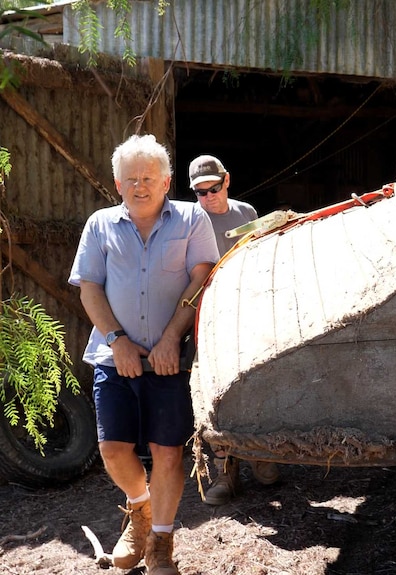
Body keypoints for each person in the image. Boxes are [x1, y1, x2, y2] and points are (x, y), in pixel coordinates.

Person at [69, 134, 219, 575]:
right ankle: (141, 512)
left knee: (168, 452)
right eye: (131, 178)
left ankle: (161, 546)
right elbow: (90, 287)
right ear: (117, 184)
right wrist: (117, 341)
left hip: (171, 359)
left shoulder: (192, 219)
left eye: (148, 177)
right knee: (112, 449)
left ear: (166, 181)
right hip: (113, 356)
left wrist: (173, 336)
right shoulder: (100, 225)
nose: (140, 185)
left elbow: (202, 276)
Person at [188, 154, 280, 505]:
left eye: (213, 188)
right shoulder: (189, 221)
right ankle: (224, 470)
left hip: (245, 311)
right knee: (214, 392)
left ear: (227, 180)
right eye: (200, 192)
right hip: (207, 315)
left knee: (256, 380)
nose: (208, 197)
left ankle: (261, 455)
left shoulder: (247, 214)